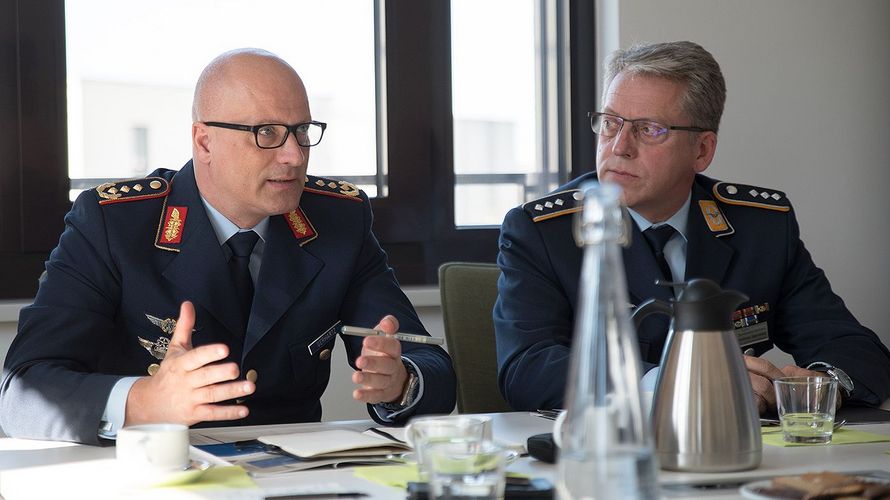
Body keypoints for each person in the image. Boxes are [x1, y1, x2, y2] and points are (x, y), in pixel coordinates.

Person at [0, 48, 456, 444]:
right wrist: (143, 402)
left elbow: (427, 360)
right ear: (204, 141)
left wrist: (401, 382)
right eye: (266, 134)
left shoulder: (337, 219)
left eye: (301, 131)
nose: (294, 155)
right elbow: (21, 392)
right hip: (160, 475)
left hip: (296, 480)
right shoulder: (113, 224)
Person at [493, 41, 890, 415]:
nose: (619, 147)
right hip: (613, 454)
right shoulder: (544, 231)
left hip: (733, 453)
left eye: (649, 129)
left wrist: (815, 388)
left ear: (702, 150)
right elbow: (528, 367)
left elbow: (855, 349)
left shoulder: (761, 226)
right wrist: (675, 383)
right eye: (611, 123)